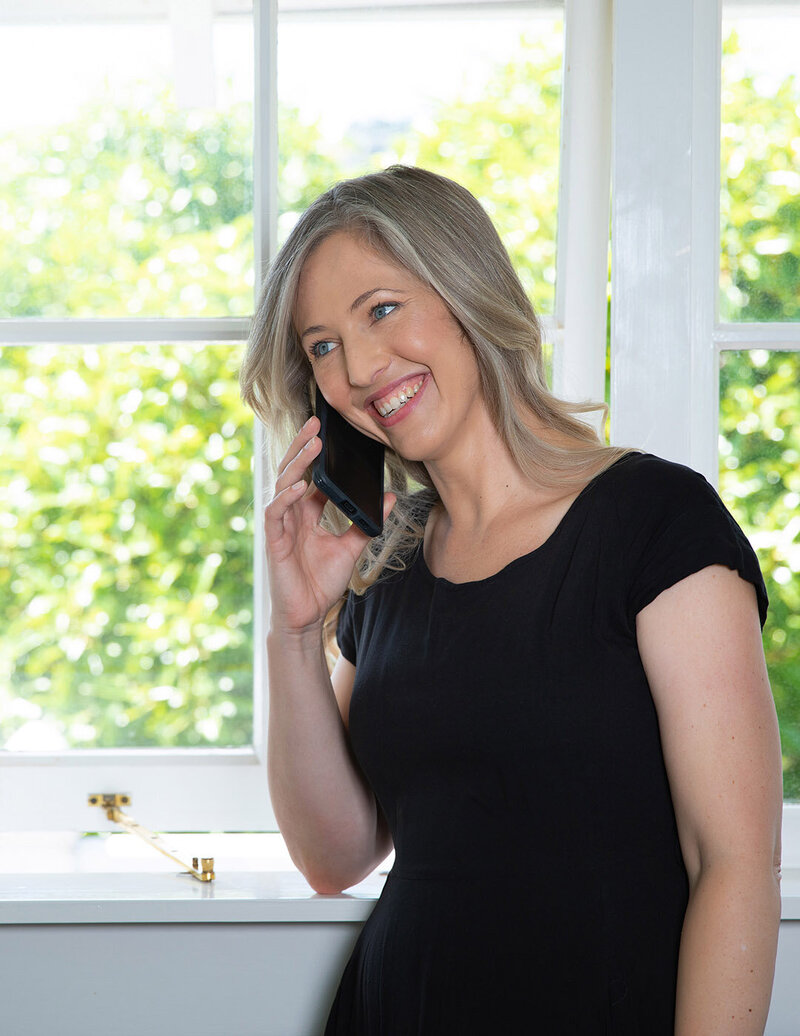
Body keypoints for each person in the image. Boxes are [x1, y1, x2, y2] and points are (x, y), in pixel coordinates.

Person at [239, 165, 782, 1034]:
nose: (362, 368)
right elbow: (334, 856)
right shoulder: (391, 561)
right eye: (322, 346)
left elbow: (735, 863)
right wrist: (297, 631)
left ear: (466, 290)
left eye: (381, 309)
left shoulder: (655, 522)